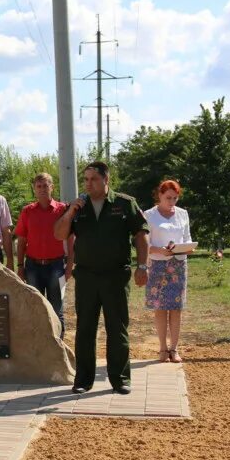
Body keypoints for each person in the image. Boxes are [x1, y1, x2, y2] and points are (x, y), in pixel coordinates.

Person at [54, 161, 149, 395]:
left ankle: (120, 379)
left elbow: (141, 234)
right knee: (85, 328)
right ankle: (83, 380)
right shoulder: (79, 206)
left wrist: (143, 266)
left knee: (117, 328)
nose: (88, 184)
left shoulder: (124, 203)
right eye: (85, 179)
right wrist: (70, 212)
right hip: (86, 276)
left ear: (106, 180)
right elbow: (59, 234)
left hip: (115, 276)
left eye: (93, 179)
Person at [15, 173, 72, 336]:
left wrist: (69, 267)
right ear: (34, 189)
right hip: (33, 267)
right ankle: (39, 348)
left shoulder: (63, 210)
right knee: (35, 308)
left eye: (45, 186)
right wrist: (20, 266)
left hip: (56, 266)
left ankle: (58, 347)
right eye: (39, 186)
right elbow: (21, 241)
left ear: (52, 187)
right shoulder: (27, 211)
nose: (42, 190)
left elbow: (71, 240)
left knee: (56, 309)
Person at [143, 180, 193, 363]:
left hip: (178, 265)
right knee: (160, 308)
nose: (172, 201)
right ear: (159, 196)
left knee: (176, 308)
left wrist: (187, 248)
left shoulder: (182, 214)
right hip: (157, 265)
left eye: (175, 198)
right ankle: (162, 349)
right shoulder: (149, 215)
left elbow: (187, 238)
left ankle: (175, 349)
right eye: (168, 198)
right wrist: (159, 250)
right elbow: (143, 244)